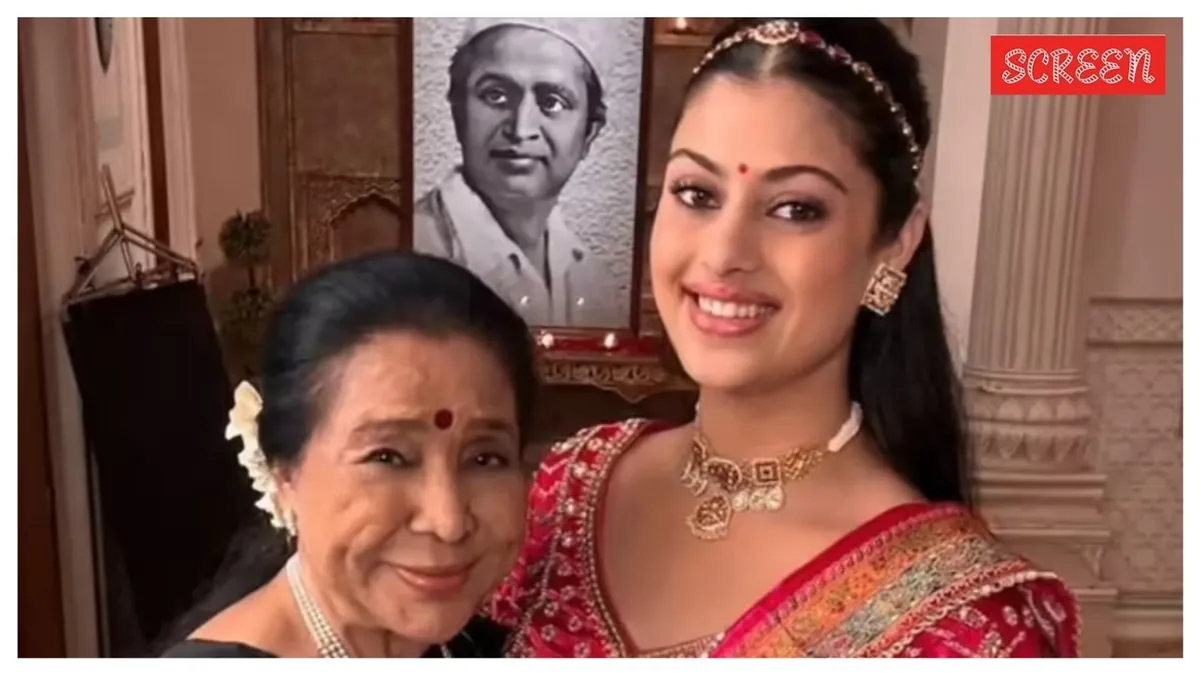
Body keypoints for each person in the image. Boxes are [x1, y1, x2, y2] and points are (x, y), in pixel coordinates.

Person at [485, 19, 1080, 658]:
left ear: (895, 245)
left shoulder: (966, 621)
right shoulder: (571, 488)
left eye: (796, 208)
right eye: (697, 193)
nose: (723, 253)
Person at [160, 251, 537, 657]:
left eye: (485, 459)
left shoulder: (507, 649)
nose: (448, 522)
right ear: (284, 475)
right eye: (388, 457)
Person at [414, 19, 621, 328]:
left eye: (552, 102)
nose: (521, 129)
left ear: (589, 133)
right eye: (495, 95)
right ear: (457, 110)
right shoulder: (415, 252)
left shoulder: (594, 283)